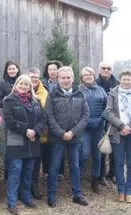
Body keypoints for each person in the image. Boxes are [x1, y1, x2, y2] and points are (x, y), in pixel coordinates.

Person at [46, 66, 89, 207]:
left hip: (74, 137)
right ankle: (51, 195)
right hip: (58, 137)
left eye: (68, 77)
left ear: (73, 78)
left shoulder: (80, 94)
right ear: (58, 79)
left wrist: (72, 132)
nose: (65, 80)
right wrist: (61, 133)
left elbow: (85, 115)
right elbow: (49, 116)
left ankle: (77, 194)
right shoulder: (52, 95)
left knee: (75, 167)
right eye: (62, 78)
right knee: (54, 167)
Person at [3, 75, 46, 215]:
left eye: (26, 85)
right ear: (16, 84)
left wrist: (35, 131)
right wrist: (25, 129)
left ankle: (26, 196)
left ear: (30, 87)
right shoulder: (9, 100)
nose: (23, 86)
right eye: (21, 84)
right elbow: (9, 120)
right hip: (16, 140)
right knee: (15, 171)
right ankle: (12, 201)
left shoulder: (36, 101)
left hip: (32, 140)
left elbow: (42, 119)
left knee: (28, 171)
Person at [106, 69, 131, 203]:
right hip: (117, 133)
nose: (126, 82)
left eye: (128, 79)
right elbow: (109, 112)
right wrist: (122, 126)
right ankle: (121, 191)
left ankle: (129, 191)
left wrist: (130, 127)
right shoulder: (113, 93)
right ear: (120, 79)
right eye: (124, 79)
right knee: (118, 163)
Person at [78, 67, 107, 194]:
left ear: (94, 76)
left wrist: (102, 119)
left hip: (98, 127)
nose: (88, 76)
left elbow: (107, 107)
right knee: (84, 154)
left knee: (97, 154)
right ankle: (77, 179)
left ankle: (95, 180)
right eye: (85, 75)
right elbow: (76, 109)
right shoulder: (78, 91)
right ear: (82, 78)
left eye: (90, 74)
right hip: (84, 128)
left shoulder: (101, 91)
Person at [0, 61, 20, 180]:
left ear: (17, 69)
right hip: (8, 117)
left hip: (22, 118)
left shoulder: (21, 83)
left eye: (13, 68)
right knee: (8, 144)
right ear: (6, 71)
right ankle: (7, 170)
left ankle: (17, 170)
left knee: (19, 145)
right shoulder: (2, 84)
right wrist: (7, 101)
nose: (11, 71)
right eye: (9, 69)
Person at [96, 61, 119, 185]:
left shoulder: (117, 84)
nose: (106, 70)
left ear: (111, 70)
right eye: (103, 68)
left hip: (114, 121)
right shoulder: (95, 83)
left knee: (115, 149)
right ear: (99, 69)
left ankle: (113, 173)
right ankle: (101, 175)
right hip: (100, 120)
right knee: (102, 149)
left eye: (108, 68)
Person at [41, 60, 65, 181]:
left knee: (59, 144)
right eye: (50, 69)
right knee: (46, 145)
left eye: (54, 69)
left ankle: (60, 171)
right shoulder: (43, 83)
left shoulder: (63, 83)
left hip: (60, 118)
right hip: (46, 119)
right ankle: (46, 171)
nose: (52, 72)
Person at [27, 68, 48, 200]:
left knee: (36, 162)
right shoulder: (22, 89)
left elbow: (46, 113)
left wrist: (38, 129)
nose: (34, 79)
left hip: (39, 133)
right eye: (31, 77)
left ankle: (34, 187)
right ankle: (24, 189)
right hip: (24, 133)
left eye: (36, 77)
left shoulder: (45, 93)